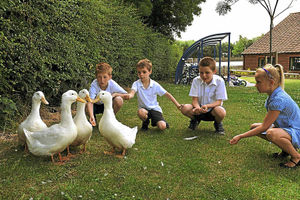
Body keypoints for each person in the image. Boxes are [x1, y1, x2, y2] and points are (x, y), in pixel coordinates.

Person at [230, 64, 300, 168]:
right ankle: (286, 150)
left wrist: (240, 136)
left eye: (258, 82)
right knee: (254, 127)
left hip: (296, 131)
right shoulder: (273, 95)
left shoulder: (278, 99)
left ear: (271, 83)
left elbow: (264, 126)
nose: (255, 85)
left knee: (271, 133)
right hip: (286, 128)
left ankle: (296, 157)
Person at [124, 58, 182, 131]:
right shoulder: (136, 84)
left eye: (144, 72)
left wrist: (178, 105)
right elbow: (132, 93)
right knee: (141, 112)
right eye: (139, 72)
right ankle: (145, 122)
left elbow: (167, 94)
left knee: (162, 127)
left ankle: (161, 122)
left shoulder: (155, 84)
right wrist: (129, 96)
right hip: (144, 109)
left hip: (154, 108)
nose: (141, 74)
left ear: (150, 72)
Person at [180, 57, 227, 134]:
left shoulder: (220, 81)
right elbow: (194, 100)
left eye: (207, 73)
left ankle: (218, 123)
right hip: (199, 109)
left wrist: (207, 106)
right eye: (201, 73)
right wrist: (198, 108)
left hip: (213, 109)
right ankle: (195, 120)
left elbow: (219, 102)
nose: (204, 75)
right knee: (185, 108)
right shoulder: (196, 80)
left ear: (214, 71)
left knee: (221, 112)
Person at [87, 62, 128, 126]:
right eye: (99, 77)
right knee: (85, 104)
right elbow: (90, 101)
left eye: (105, 77)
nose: (102, 80)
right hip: (96, 105)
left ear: (110, 77)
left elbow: (126, 95)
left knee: (119, 100)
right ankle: (93, 118)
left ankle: (110, 118)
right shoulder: (94, 84)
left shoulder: (112, 84)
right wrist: (91, 115)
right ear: (96, 77)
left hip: (107, 106)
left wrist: (115, 94)